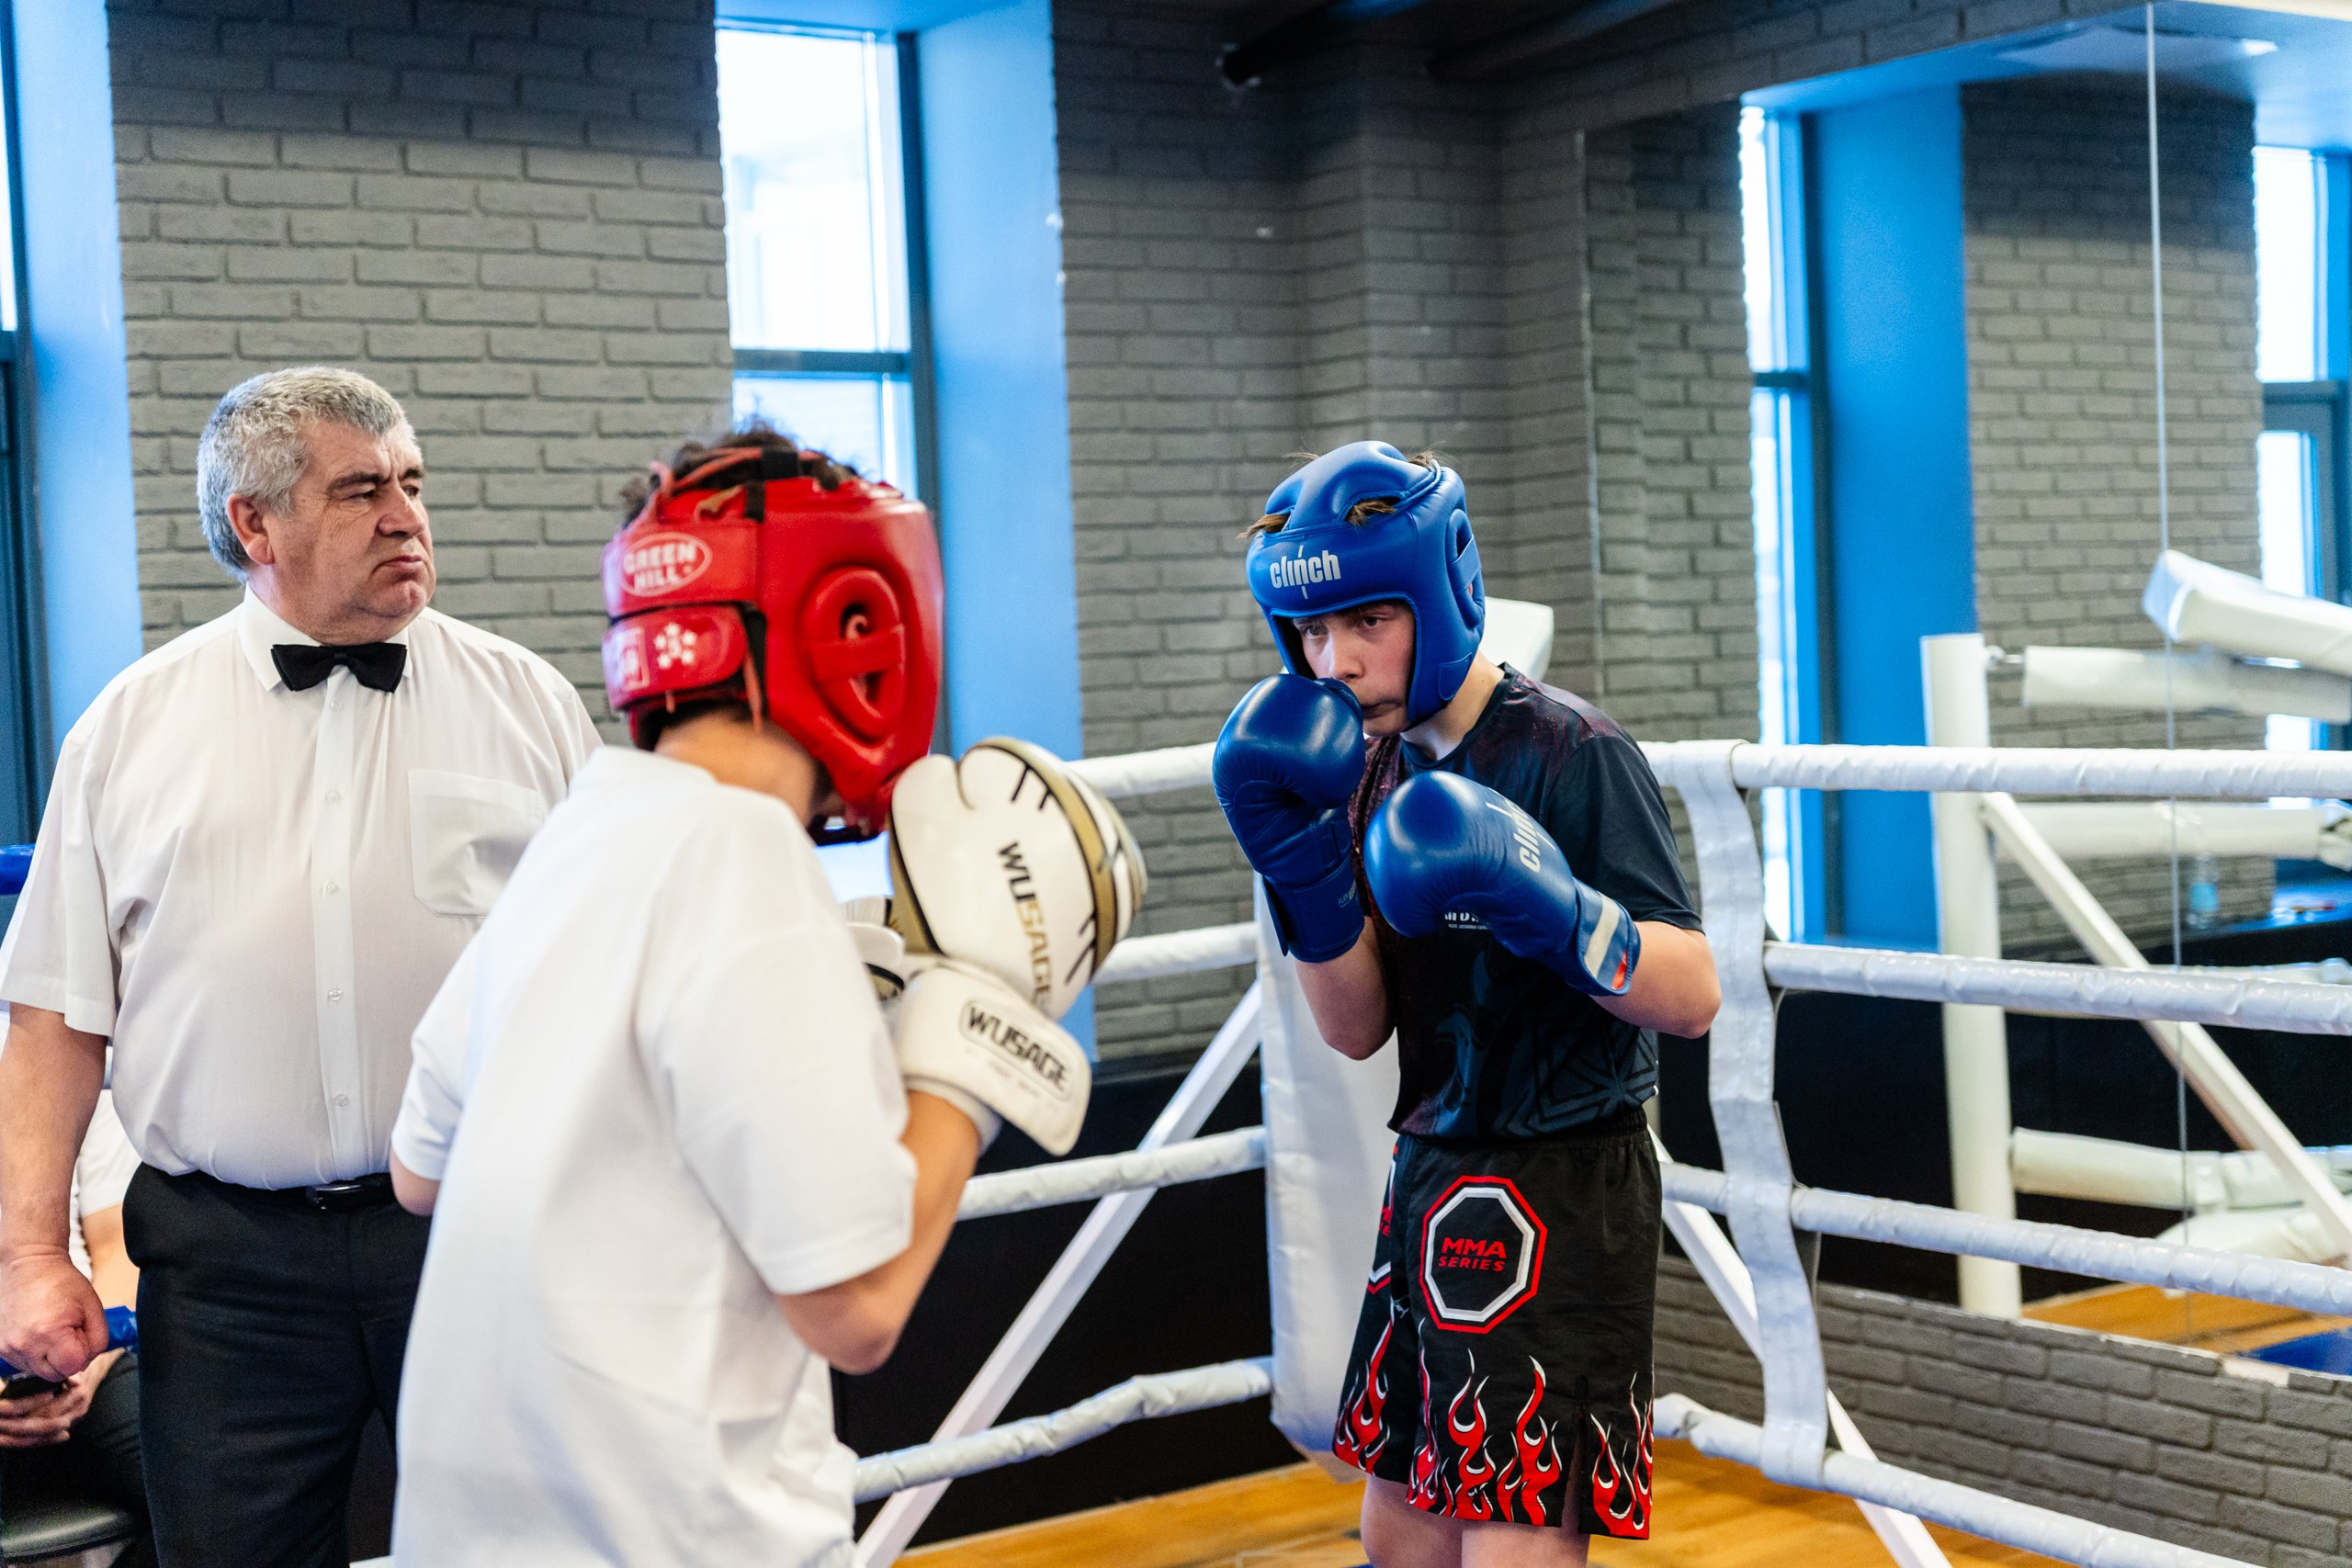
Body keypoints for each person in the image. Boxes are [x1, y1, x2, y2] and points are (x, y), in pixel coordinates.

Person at [384, 425, 1142, 1567]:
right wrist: (972, 1030)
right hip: (674, 1539)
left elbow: (419, 1172)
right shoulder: (743, 857)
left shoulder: (582, 833)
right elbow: (856, 1312)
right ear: (859, 622)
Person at [0, 367, 602, 1568]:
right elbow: (57, 1018)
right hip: (230, 1273)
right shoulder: (127, 730)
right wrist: (28, 1253)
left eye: (414, 484)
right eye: (360, 489)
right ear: (253, 525)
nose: (407, 518)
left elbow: (599, 983)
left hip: (478, 1232)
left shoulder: (529, 705)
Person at [1212, 442, 1722, 1568]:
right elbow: (1354, 1030)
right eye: (1310, 632)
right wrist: (1298, 871)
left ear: (1440, 594)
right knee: (1397, 1536)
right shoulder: (1357, 769)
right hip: (1433, 1167)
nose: (1333, 661)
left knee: (1514, 1540)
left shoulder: (1573, 752)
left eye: (1365, 623)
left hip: (1562, 1175)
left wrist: (1550, 906)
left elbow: (1692, 996)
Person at [0, 1089, 153, 1568]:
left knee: (222, 1496)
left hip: (84, 1360)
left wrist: (85, 1355)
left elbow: (116, 1251)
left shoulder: (71, 1062)